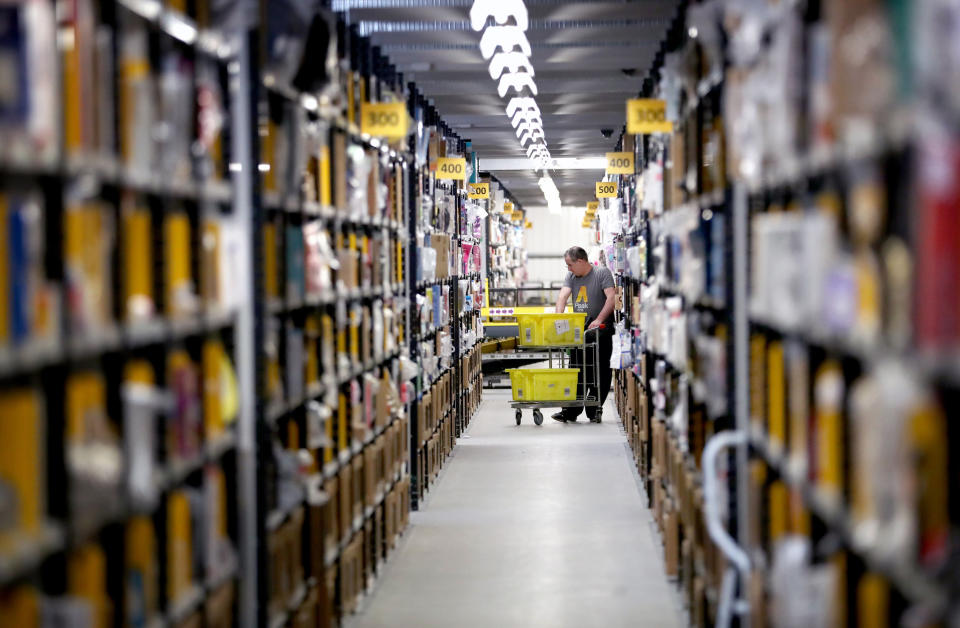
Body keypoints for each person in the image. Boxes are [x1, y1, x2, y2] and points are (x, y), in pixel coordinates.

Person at [552, 246, 615, 423]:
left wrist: (600, 319)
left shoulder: (602, 273)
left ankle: (594, 410)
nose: (568, 269)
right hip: (580, 331)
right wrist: (559, 319)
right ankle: (570, 411)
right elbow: (563, 297)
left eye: (570, 265)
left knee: (600, 370)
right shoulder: (571, 276)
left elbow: (611, 298)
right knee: (576, 369)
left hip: (601, 330)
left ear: (580, 261)